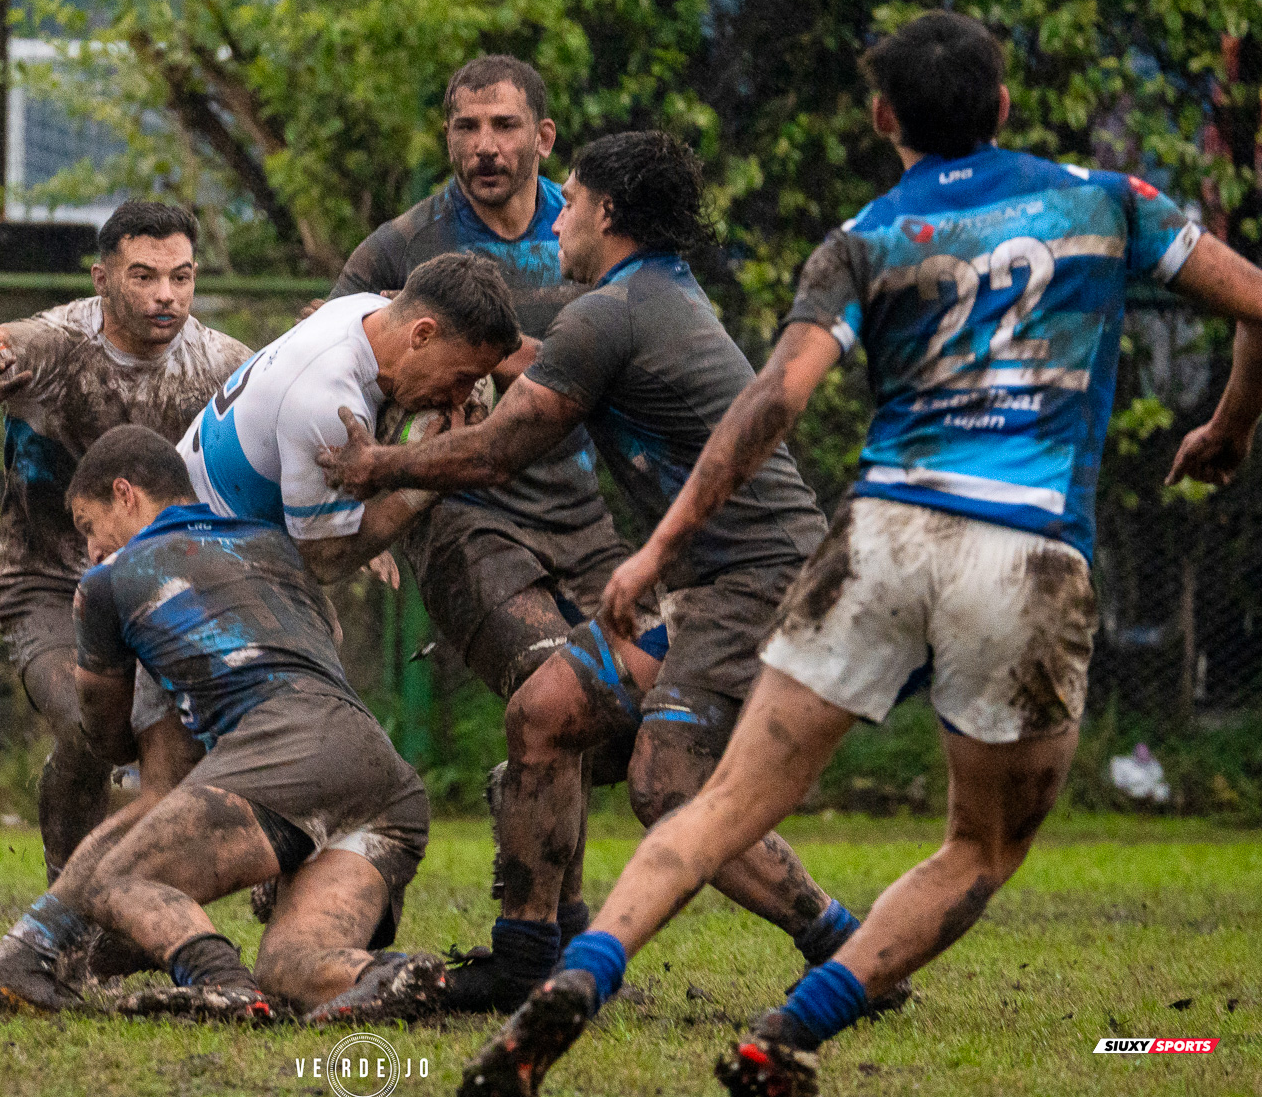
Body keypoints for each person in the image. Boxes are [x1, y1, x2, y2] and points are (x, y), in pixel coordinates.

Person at [457, 10, 1260, 1097]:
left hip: (877, 538)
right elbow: (1257, 304)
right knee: (977, 848)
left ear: (886, 118)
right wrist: (1229, 427)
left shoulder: (868, 236)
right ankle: (790, 1029)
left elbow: (770, 405)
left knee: (720, 802)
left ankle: (585, 977)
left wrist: (659, 545)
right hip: (1024, 557)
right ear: (1006, 105)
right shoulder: (1109, 202)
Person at [319, 131, 875, 1014]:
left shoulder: (612, 310)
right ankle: (525, 955)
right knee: (544, 713)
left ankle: (854, 952)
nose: (560, 219)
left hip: (758, 579)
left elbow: (503, 448)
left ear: (606, 214)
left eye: (571, 202)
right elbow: (553, 370)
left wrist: (377, 467)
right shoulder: (647, 296)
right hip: (710, 582)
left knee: (668, 786)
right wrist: (491, 350)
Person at [0, 426, 444, 1023]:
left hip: (286, 752)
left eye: (89, 527)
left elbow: (103, 729)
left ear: (126, 495)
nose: (90, 549)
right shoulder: (274, 544)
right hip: (383, 778)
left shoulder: (108, 583)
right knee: (295, 963)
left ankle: (223, 985)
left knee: (116, 880)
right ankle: (391, 977)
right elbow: (327, 639)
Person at [333, 57, 623, 965]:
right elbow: (337, 364)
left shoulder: (591, 241)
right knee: (549, 680)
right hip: (461, 512)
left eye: (505, 126)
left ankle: (560, 922)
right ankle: (537, 944)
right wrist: (375, 502)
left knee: (610, 709)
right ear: (447, 135)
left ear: (543, 137)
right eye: (467, 127)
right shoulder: (400, 249)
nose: (485, 146)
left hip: (581, 511)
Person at [0, 202, 250, 885]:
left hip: (173, 583)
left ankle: (188, 883)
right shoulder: (46, 343)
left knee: (225, 727)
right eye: (144, 276)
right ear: (102, 278)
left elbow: (289, 445)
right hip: (49, 583)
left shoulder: (224, 364)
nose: (166, 295)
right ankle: (66, 890)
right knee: (94, 729)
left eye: (182, 277)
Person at [179, 250, 522, 584]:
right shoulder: (331, 403)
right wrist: (430, 480)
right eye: (461, 378)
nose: (460, 398)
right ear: (422, 334)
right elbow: (324, 562)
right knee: (313, 636)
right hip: (194, 544)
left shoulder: (366, 309)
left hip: (204, 514)